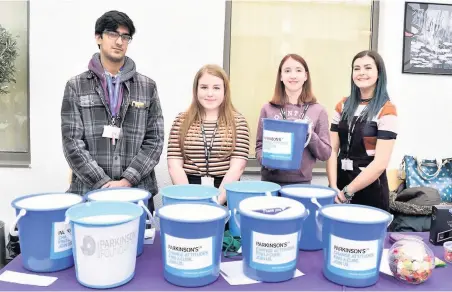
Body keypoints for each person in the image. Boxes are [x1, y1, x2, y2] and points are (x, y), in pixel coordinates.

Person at [61, 10, 164, 212]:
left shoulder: (147, 86)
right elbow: (71, 142)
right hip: (89, 194)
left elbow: (155, 140)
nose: (119, 41)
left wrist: (127, 180)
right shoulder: (76, 86)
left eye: (125, 37)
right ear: (98, 37)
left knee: (140, 244)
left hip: (137, 193)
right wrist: (102, 183)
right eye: (113, 34)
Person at [167, 64, 250, 205]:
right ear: (196, 90)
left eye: (216, 88)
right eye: (204, 87)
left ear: (225, 91)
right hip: (188, 190)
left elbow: (237, 167)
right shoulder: (181, 121)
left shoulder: (238, 122)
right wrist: (189, 200)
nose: (210, 93)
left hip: (225, 190)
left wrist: (217, 202)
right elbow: (174, 165)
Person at [326, 50, 397, 211]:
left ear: (379, 73)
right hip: (339, 187)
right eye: (356, 68)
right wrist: (333, 185)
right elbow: (332, 149)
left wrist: (348, 192)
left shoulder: (387, 110)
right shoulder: (342, 105)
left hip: (370, 190)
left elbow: (380, 163)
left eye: (367, 68)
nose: (361, 73)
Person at [255, 54, 331, 186]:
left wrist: (309, 133)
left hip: (301, 185)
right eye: (287, 71)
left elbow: (325, 154)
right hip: (269, 183)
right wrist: (267, 161)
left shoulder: (318, 110)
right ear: (281, 76)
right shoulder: (267, 109)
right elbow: (259, 147)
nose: (293, 75)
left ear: (306, 76)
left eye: (298, 70)